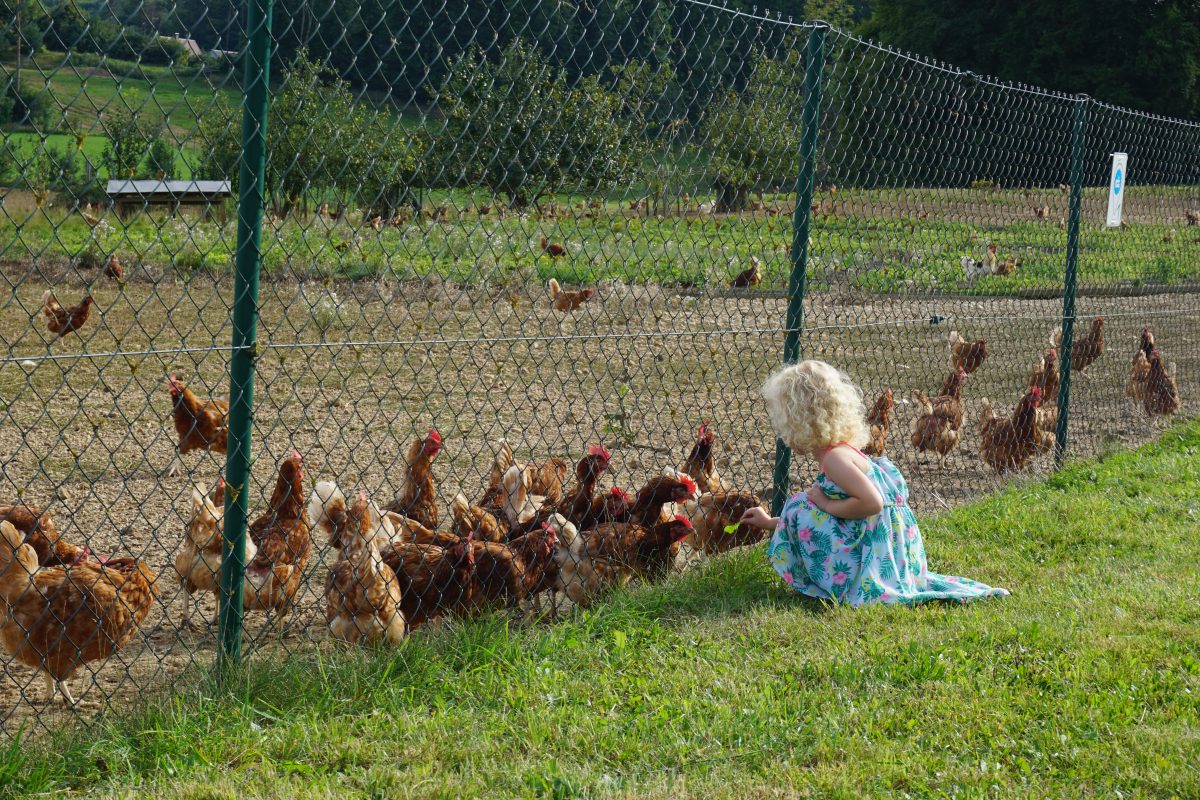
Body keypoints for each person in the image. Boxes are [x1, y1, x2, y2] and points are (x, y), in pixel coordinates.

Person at [740, 360, 1009, 606]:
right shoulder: (843, 451)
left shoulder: (835, 459)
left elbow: (871, 503)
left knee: (802, 502)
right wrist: (770, 522)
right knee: (804, 503)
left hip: (873, 559)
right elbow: (836, 515)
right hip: (891, 555)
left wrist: (821, 502)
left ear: (796, 418)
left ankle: (839, 583)